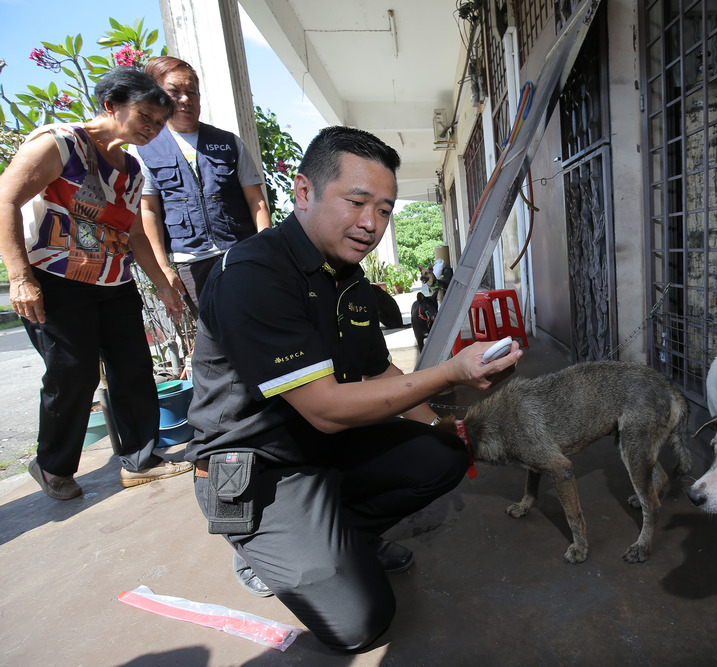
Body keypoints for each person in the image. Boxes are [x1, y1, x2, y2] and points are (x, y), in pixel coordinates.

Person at [185, 126, 522, 652]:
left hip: (326, 449)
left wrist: (445, 425)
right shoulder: (254, 273)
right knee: (361, 624)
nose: (372, 224)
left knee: (444, 454)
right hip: (260, 468)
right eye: (357, 201)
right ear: (303, 192)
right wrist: (453, 372)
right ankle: (260, 545)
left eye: (385, 209)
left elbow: (379, 371)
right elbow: (325, 409)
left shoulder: (350, 281)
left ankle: (346, 539)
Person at [0, 69, 194, 500]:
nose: (151, 127)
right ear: (111, 105)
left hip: (112, 279)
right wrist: (19, 277)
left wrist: (163, 285)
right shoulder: (59, 143)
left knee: (133, 369)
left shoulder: (132, 170)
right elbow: (5, 198)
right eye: (145, 115)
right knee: (74, 372)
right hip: (55, 279)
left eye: (159, 123)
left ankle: (140, 460)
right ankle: (52, 466)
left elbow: (137, 235)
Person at [133, 56, 271, 318]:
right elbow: (148, 210)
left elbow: (257, 200)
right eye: (174, 92)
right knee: (215, 335)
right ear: (157, 96)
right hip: (191, 263)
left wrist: (266, 249)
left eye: (191, 92)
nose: (185, 99)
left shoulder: (229, 142)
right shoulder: (144, 149)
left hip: (240, 255)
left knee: (257, 325)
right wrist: (163, 267)